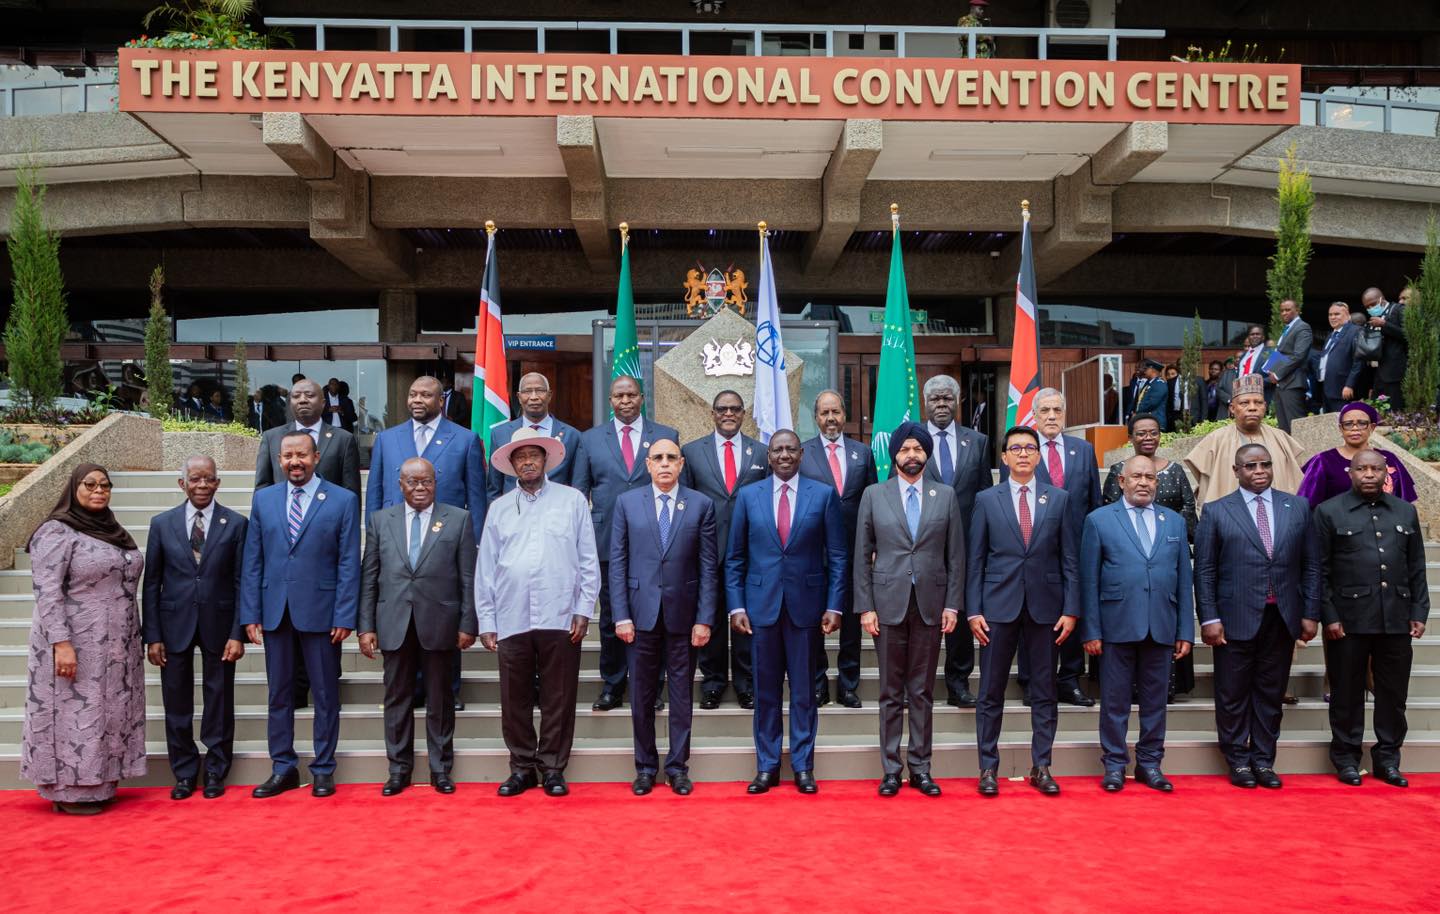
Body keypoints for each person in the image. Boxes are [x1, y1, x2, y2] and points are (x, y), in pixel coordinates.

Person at [476, 428, 599, 798]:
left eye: (534, 454)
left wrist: (583, 608)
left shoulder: (572, 501)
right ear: (511, 464)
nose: (528, 461)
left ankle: (553, 768)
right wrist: (487, 619)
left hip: (560, 614)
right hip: (511, 616)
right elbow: (486, 568)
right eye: (520, 456)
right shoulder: (498, 508)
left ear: (546, 460)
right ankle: (522, 767)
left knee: (558, 696)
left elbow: (588, 560)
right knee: (514, 699)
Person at [726, 429, 847, 795]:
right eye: (776, 449)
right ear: (768, 456)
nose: (783, 455)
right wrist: (736, 605)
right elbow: (734, 558)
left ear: (801, 454)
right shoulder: (748, 496)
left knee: (804, 692)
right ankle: (767, 766)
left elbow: (838, 557)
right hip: (760, 610)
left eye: (790, 449)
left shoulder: (823, 495)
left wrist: (834, 605)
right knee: (765, 692)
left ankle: (803, 765)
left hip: (806, 610)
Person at [240, 431, 360, 798]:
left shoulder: (343, 500)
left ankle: (323, 768)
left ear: (316, 457)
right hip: (275, 612)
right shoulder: (264, 500)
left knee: (325, 694)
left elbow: (348, 561)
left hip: (323, 615)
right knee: (279, 694)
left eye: (302, 455)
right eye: (288, 455)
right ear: (279, 459)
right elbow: (253, 560)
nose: (295, 461)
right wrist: (251, 613)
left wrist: (345, 615)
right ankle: (283, 768)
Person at [1194, 444, 1321, 789]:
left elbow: (1311, 566)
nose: (1260, 470)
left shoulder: (1297, 507)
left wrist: (1311, 612)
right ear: (1236, 471)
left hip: (1282, 616)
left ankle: (1263, 760)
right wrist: (1208, 618)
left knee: (1270, 692)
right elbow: (1205, 571)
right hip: (1233, 618)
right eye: (1251, 465)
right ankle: (1237, 760)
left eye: (1265, 464)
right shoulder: (1218, 511)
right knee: (1232, 693)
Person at [21, 464, 146, 815]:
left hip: (117, 646)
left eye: (105, 485)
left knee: (110, 713)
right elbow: (47, 591)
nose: (98, 490)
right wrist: (61, 643)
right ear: (74, 488)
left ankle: (102, 784)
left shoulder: (112, 530)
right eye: (89, 484)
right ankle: (70, 790)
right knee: (76, 714)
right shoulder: (56, 532)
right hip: (76, 643)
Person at [854, 422, 965, 797]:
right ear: (895, 455)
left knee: (921, 691)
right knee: (889, 691)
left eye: (918, 449)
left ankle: (920, 768)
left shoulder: (945, 495)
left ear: (927, 454)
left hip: (931, 605)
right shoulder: (873, 495)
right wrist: (865, 607)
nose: (912, 455)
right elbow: (860, 556)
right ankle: (890, 769)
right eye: (905, 450)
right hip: (887, 606)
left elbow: (956, 556)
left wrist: (953, 603)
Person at [968, 426, 1078, 797]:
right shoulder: (987, 499)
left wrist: (1071, 609)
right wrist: (973, 610)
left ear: (1038, 455)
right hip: (998, 607)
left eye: (1030, 448)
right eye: (1015, 448)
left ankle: (1041, 765)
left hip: (1047, 609)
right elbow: (976, 560)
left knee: (1045, 690)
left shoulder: (1059, 499)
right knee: (990, 691)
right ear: (1003, 457)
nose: (1023, 454)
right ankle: (987, 768)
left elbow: (1070, 560)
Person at [358, 457, 477, 797]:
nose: (420, 488)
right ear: (400, 485)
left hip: (440, 622)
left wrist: (468, 622)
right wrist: (366, 626)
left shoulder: (458, 519)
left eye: (426, 481)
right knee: (397, 698)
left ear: (435, 483)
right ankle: (399, 770)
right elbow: (370, 577)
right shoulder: (381, 520)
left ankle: (441, 769)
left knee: (440, 699)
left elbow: (468, 578)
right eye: (413, 482)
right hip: (393, 623)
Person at [1316, 449, 1429, 787]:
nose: (1368, 474)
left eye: (1375, 469)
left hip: (1395, 617)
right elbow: (1319, 571)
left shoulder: (1404, 512)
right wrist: (1329, 616)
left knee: (1393, 695)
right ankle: (1347, 758)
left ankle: (1388, 759)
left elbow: (1416, 568)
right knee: (1346, 693)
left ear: (1386, 474)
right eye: (1361, 468)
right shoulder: (1328, 511)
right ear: (1350, 473)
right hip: (1348, 622)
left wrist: (1419, 611)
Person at [610, 439, 718, 796]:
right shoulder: (627, 503)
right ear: (648, 464)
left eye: (672, 458)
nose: (665, 464)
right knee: (641, 694)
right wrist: (621, 615)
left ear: (682, 464)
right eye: (658, 458)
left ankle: (677, 767)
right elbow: (618, 564)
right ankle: (644, 767)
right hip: (639, 618)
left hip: (684, 619)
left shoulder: (700, 505)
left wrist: (704, 618)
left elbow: (707, 568)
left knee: (681, 695)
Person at [1080, 455, 1193, 793]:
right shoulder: (1099, 520)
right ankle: (1114, 764)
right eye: (1137, 477)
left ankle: (1149, 763)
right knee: (1114, 701)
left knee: (1156, 701)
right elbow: (1088, 581)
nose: (1144, 482)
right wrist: (1092, 630)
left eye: (1150, 477)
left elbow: (1183, 579)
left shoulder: (1173, 522)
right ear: (1121, 482)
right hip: (1116, 627)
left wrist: (1185, 630)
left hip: (1161, 624)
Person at [141, 456, 247, 800]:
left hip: (219, 623)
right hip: (173, 625)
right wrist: (152, 635)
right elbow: (151, 582)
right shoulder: (162, 523)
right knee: (177, 701)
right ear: (182, 483)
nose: (203, 485)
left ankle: (216, 769)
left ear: (218, 483)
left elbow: (241, 581)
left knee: (219, 700)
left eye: (209, 479)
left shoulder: (235, 524)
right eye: (196, 479)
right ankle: (184, 772)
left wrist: (237, 632)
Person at [572, 375, 679, 712]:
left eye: (632, 394)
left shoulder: (665, 436)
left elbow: (678, 490)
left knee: (655, 616)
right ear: (611, 400)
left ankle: (652, 688)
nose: (626, 400)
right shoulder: (589, 440)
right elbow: (578, 494)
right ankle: (613, 685)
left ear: (642, 398)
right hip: (606, 542)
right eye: (619, 395)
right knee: (611, 618)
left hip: (657, 541)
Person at [1005, 388, 1098, 707]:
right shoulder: (1023, 450)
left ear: (1065, 413)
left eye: (1057, 410)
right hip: (1034, 548)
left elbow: (1094, 502)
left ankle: (1069, 679)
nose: (1051, 416)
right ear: (1034, 414)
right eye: (1044, 411)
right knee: (1033, 615)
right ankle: (1032, 680)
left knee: (1073, 611)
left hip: (1076, 547)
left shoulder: (1083, 450)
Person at [680, 390, 767, 710]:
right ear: (712, 413)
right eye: (722, 409)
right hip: (707, 552)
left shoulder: (761, 452)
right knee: (712, 619)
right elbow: (686, 505)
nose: (728, 413)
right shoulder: (691, 451)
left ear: (744, 414)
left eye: (735, 409)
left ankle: (747, 685)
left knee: (747, 621)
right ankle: (713, 684)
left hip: (750, 553)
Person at [1101, 411, 1197, 699]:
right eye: (1141, 433)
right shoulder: (1119, 470)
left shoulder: (1175, 470)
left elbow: (1188, 509)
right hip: (1126, 569)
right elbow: (1107, 513)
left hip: (1165, 551)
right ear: (1130, 437)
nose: (1147, 438)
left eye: (1153, 432)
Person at [914, 374, 991, 709]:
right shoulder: (912, 440)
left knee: (959, 614)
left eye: (947, 398)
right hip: (923, 544)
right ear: (925, 403)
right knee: (922, 617)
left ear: (957, 402)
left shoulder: (977, 442)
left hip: (967, 544)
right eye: (935, 399)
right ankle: (919, 684)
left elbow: (986, 495)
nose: (941, 405)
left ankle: (958, 684)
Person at [799, 389, 876, 709]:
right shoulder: (802, 453)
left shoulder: (863, 453)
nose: (830, 419)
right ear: (815, 418)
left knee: (850, 627)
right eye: (824, 413)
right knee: (814, 621)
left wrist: (875, 545)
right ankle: (818, 684)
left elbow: (873, 502)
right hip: (814, 554)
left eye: (836, 412)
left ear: (845, 415)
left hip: (854, 554)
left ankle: (848, 686)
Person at [1185, 374, 1306, 512]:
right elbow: (1206, 484)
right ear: (1232, 408)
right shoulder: (1215, 441)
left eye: (1258, 402)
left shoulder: (1282, 439)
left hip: (1278, 516)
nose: (1252, 407)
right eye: (1244, 403)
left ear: (1265, 406)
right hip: (1232, 518)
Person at [255, 378, 362, 497]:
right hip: (282, 514)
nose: (302, 400)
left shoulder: (344, 439)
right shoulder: (271, 438)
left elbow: (351, 492)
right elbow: (262, 488)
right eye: (296, 396)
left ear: (323, 403)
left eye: (309, 395)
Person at [1297, 402, 1416, 509]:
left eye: (1361, 423)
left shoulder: (1389, 459)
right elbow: (1306, 504)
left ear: (1372, 427)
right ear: (1340, 428)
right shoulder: (1323, 461)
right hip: (1339, 529)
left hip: (1385, 528)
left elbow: (1404, 504)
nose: (1354, 428)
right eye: (1348, 424)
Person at [486, 371, 580, 503]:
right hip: (513, 514)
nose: (534, 397)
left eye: (540, 390)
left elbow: (577, 485)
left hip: (557, 514)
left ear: (549, 395)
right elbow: (494, 488)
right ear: (519, 397)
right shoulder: (500, 434)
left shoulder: (572, 435)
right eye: (527, 391)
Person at [1266, 299, 1313, 434]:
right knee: (1284, 429)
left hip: (1293, 383)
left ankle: (1302, 456)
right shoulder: (1287, 329)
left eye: (1288, 310)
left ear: (1297, 310)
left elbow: (1299, 356)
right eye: (1282, 310)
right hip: (1281, 384)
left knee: (1296, 427)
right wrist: (1271, 369)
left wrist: (1277, 373)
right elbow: (1282, 354)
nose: (1284, 313)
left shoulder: (1302, 327)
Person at [1363, 286, 1407, 408]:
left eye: (1373, 304)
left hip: (1395, 374)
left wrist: (1385, 325)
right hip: (1378, 375)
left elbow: (1409, 335)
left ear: (1381, 299)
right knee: (1377, 414)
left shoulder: (1398, 310)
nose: (1371, 308)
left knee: (1394, 411)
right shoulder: (1372, 320)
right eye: (1367, 307)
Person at [1317, 302, 1363, 414]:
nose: (1332, 317)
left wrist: (1349, 385)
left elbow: (1358, 361)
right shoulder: (1331, 335)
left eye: (1337, 314)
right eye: (1330, 314)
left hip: (1343, 389)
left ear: (1347, 315)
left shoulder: (1355, 331)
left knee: (1343, 423)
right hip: (1327, 388)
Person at [1235, 324, 1274, 405]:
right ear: (1248, 337)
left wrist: (1255, 383)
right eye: (1252, 334)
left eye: (1258, 334)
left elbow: (1276, 375)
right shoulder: (1243, 356)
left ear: (1263, 337)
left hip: (1263, 399)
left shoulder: (1271, 353)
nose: (1255, 336)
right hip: (1242, 399)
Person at [1133, 359, 1168, 428]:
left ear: (1152, 369)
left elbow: (1152, 403)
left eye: (1145, 369)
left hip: (1155, 422)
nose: (1143, 371)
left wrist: (1137, 412)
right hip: (1147, 421)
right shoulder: (1149, 383)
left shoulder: (1159, 384)